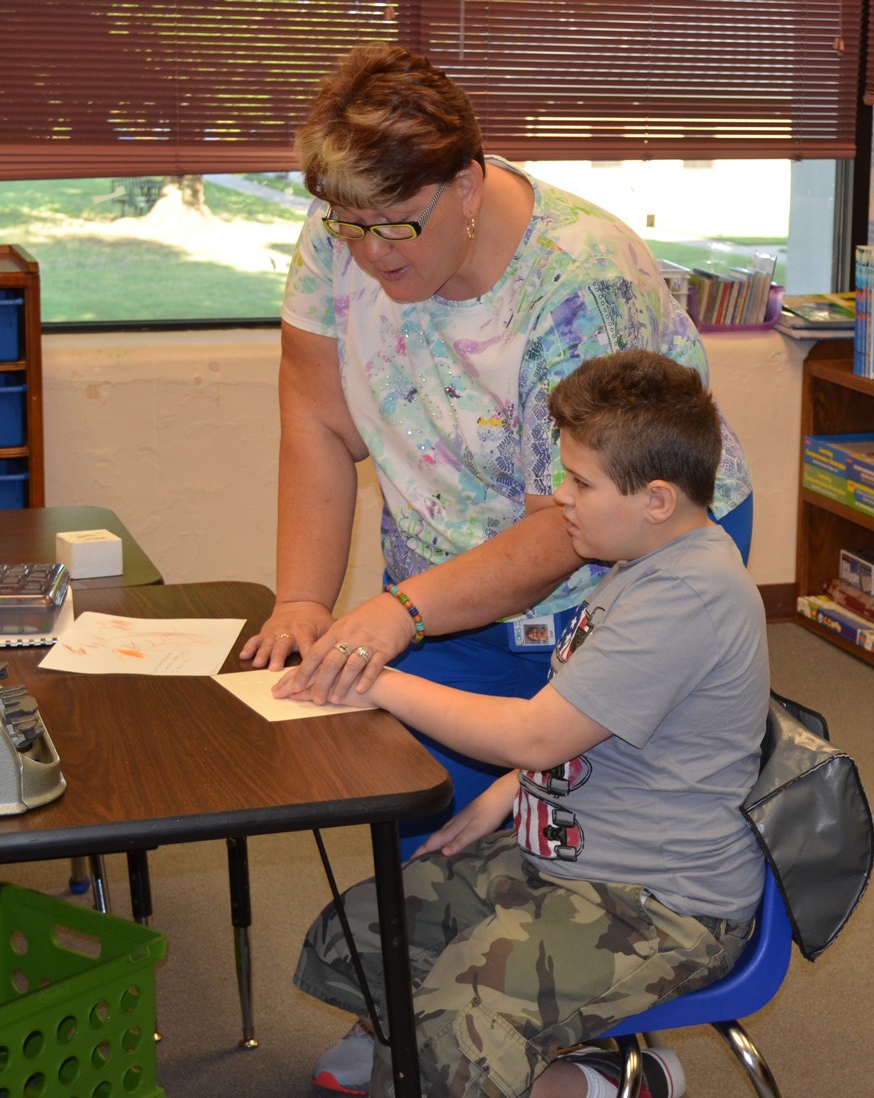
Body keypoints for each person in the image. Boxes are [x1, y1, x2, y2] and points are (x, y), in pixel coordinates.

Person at [239, 42, 754, 858]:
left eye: (397, 224)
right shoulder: (348, 218)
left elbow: (568, 523)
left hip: (614, 544)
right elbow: (316, 420)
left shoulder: (581, 284)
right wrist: (304, 598)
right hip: (449, 561)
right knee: (426, 818)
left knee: (571, 822)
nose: (372, 251)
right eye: (351, 226)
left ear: (468, 185)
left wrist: (403, 613)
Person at [277, 350, 770, 1098]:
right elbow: (601, 725)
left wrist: (382, 683)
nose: (561, 499)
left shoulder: (690, 594)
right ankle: (424, 1063)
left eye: (579, 483)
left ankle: (611, 1083)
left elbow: (539, 733)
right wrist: (512, 790)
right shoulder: (639, 560)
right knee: (357, 937)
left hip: (659, 902)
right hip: (577, 852)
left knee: (456, 1034)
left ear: (657, 499)